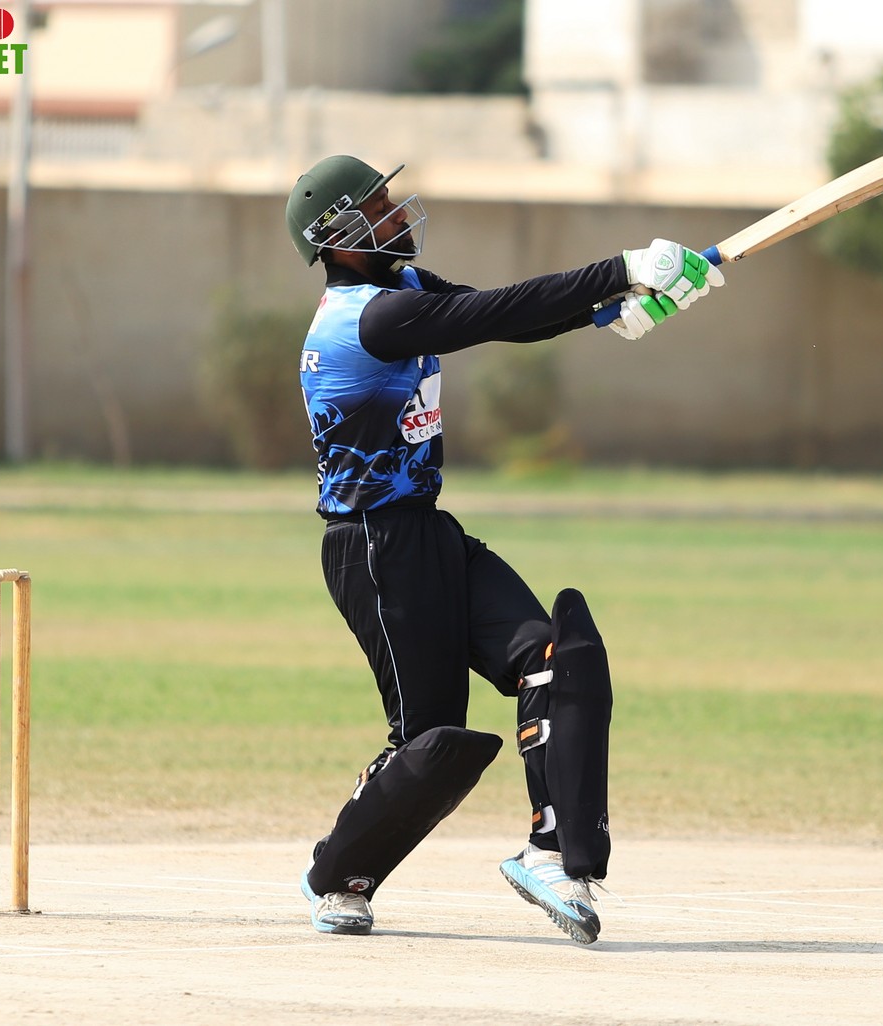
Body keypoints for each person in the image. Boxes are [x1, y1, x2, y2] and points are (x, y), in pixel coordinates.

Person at [285, 154, 723, 945]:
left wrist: (613, 308)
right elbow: (495, 310)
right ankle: (336, 875)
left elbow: (507, 318)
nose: (397, 213)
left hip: (429, 532)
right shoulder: (371, 318)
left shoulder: (404, 291)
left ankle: (552, 855)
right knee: (432, 745)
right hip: (373, 548)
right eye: (378, 207)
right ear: (338, 235)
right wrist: (622, 267)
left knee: (557, 659)